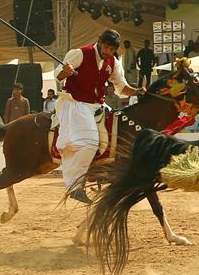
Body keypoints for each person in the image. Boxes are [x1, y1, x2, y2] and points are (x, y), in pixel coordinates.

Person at [55, 29, 144, 203]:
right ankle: (75, 186)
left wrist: (137, 92)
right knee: (90, 142)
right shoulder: (80, 53)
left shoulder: (113, 62)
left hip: (96, 104)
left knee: (116, 130)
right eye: (106, 47)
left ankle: (102, 171)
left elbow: (121, 88)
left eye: (112, 49)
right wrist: (66, 71)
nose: (107, 52)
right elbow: (58, 74)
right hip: (75, 103)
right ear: (99, 42)